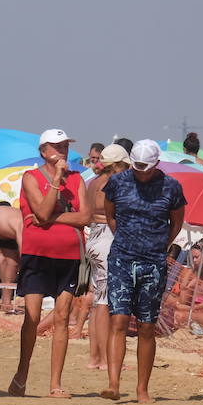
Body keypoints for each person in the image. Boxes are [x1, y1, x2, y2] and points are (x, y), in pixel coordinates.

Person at [102, 139, 186, 403]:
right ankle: (114, 384)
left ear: (156, 164)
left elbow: (176, 222)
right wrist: (125, 239)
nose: (141, 172)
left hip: (153, 262)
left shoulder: (171, 187)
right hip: (122, 260)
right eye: (137, 166)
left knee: (147, 326)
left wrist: (160, 245)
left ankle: (142, 389)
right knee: (118, 320)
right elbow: (110, 215)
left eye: (146, 168)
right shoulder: (118, 182)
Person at [10, 129, 91, 398]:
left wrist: (49, 220)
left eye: (65, 146)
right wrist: (56, 180)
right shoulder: (31, 177)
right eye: (56, 146)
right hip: (38, 254)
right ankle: (22, 374)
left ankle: (55, 383)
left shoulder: (78, 179)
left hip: (69, 256)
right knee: (31, 317)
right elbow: (42, 210)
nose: (62, 151)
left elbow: (85, 217)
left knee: (62, 317)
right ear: (43, 151)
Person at [84, 143, 129, 370]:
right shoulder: (113, 183)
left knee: (97, 300)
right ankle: (105, 359)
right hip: (106, 238)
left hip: (93, 237)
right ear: (118, 165)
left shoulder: (93, 182)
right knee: (104, 302)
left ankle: (95, 357)